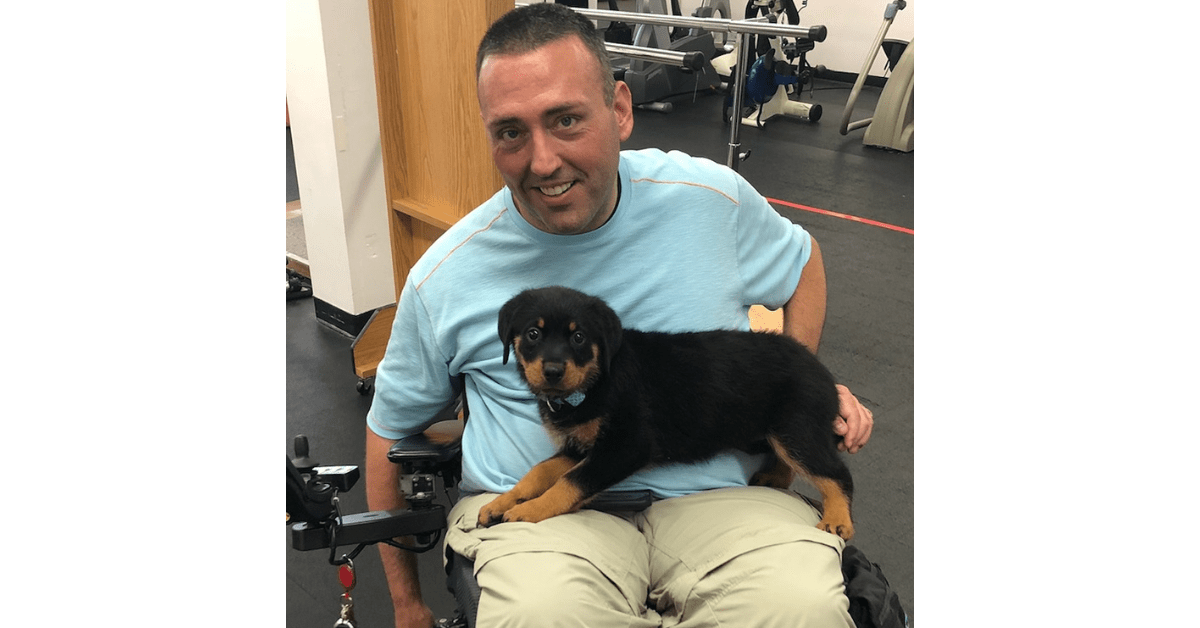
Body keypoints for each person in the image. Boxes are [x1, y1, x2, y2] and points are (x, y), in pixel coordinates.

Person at [365, 4, 874, 627]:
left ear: (621, 110)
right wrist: (407, 605)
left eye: (566, 119)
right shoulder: (446, 274)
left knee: (800, 609)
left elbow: (803, 263)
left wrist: (797, 388)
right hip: (545, 530)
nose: (543, 161)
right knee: (544, 616)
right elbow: (388, 430)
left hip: (721, 499)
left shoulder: (710, 199)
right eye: (511, 132)